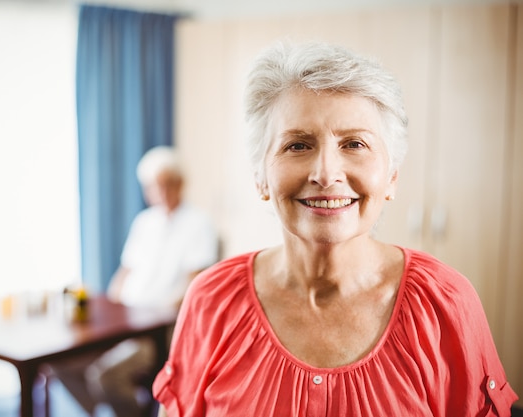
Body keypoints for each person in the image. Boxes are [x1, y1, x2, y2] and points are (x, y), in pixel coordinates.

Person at [152, 41, 519, 416]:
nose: (326, 174)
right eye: (297, 145)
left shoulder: (445, 305)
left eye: (354, 143)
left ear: (391, 177)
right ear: (261, 177)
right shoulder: (211, 302)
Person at [53, 146, 220, 417]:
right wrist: (109, 309)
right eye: (155, 186)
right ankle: (97, 409)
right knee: (60, 362)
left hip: (158, 329)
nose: (162, 192)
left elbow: (194, 285)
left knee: (105, 376)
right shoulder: (144, 222)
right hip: (125, 321)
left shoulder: (198, 223)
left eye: (168, 184)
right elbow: (124, 273)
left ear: (181, 183)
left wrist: (152, 314)